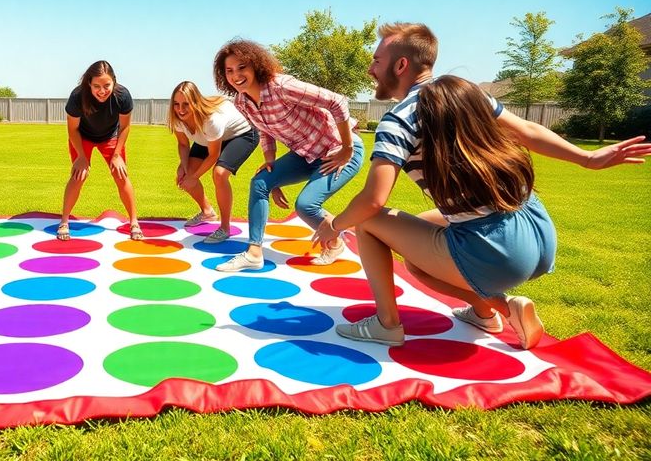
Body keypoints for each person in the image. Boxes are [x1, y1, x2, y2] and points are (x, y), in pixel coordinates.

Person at [314, 23, 651, 349]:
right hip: (537, 232)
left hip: (496, 253)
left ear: (401, 65)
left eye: (377, 61)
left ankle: (386, 325)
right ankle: (487, 312)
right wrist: (587, 159)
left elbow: (373, 200)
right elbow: (527, 131)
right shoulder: (466, 93)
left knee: (369, 221)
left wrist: (334, 225)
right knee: (420, 241)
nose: (371, 68)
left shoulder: (400, 118)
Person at [211, 39, 364, 271]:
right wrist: (271, 162)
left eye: (242, 67)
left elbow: (337, 101)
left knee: (306, 205)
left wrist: (347, 147)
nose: (236, 75)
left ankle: (334, 240)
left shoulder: (281, 86)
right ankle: (254, 253)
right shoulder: (242, 102)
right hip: (305, 155)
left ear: (256, 65)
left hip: (336, 151)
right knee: (261, 182)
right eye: (229, 71)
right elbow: (264, 129)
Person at [57, 60, 143, 241]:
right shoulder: (77, 96)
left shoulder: (122, 96)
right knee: (79, 175)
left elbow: (125, 127)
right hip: (83, 137)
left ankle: (134, 221)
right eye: (96, 86)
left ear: (114, 81)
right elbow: (72, 129)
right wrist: (81, 156)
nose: (102, 91)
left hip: (110, 137)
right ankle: (64, 221)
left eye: (106, 85)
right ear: (89, 83)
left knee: (121, 174)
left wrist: (117, 155)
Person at [168, 81, 259, 243]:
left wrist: (194, 177)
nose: (180, 109)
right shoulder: (177, 119)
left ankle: (224, 228)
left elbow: (213, 155)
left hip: (241, 135)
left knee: (219, 174)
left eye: (186, 104)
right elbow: (183, 144)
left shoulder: (211, 120)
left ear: (195, 102)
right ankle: (207, 211)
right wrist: (185, 167)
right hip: (209, 139)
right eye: (176, 104)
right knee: (182, 175)